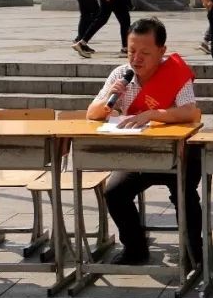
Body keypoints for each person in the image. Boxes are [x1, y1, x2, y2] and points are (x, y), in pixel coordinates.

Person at [85, 17, 203, 266]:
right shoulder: (121, 74)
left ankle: (194, 252)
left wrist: (151, 114)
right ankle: (135, 248)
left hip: (178, 153)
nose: (136, 58)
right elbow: (92, 114)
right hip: (137, 154)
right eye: (131, 51)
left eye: (145, 53)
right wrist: (110, 98)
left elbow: (190, 112)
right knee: (114, 193)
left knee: (185, 195)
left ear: (161, 51)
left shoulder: (175, 73)